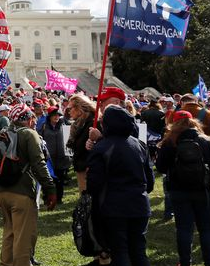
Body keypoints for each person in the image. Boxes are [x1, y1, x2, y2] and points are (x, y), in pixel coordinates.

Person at [0, 105, 57, 266]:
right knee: (23, 238)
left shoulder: (0, 134)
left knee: (9, 233)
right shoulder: (29, 134)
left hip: (0, 191)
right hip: (22, 192)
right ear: (28, 118)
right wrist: (50, 188)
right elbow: (39, 164)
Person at [86, 105, 154, 266]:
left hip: (114, 208)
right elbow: (149, 182)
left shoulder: (102, 148)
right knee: (138, 251)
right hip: (139, 205)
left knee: (120, 251)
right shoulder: (140, 145)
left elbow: (93, 185)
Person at [156, 110, 210, 266]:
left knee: (184, 228)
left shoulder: (169, 142)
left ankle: (185, 262)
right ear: (192, 121)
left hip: (178, 191)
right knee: (206, 228)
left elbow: (160, 167)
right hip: (203, 190)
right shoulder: (205, 140)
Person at [37, 107, 70, 204]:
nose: (57, 117)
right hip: (49, 159)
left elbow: (69, 141)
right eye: (54, 115)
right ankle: (47, 198)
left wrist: (69, 157)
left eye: (58, 115)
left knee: (60, 180)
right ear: (50, 116)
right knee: (48, 180)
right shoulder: (43, 126)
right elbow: (39, 140)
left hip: (62, 158)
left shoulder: (65, 125)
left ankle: (59, 199)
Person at [66, 94, 95, 192]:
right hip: (81, 168)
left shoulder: (93, 123)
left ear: (79, 108)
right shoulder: (78, 124)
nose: (68, 111)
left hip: (89, 170)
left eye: (70, 108)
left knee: (88, 202)